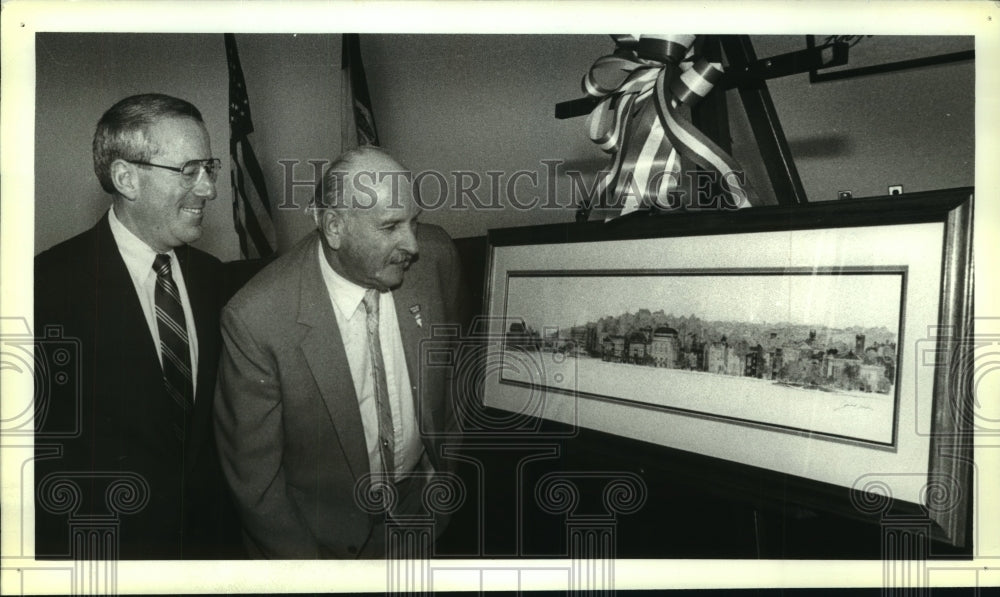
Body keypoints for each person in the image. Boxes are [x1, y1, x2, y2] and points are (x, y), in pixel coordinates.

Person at [214, 146, 463, 558]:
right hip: (322, 543)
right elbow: (255, 483)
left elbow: (451, 370)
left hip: (424, 518)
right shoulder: (256, 318)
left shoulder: (437, 258)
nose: (413, 244)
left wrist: (444, 477)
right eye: (390, 226)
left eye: (414, 222)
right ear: (334, 226)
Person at [34, 93, 243, 559]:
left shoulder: (214, 279)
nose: (209, 189)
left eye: (209, 169)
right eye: (189, 171)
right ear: (126, 178)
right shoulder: (42, 289)